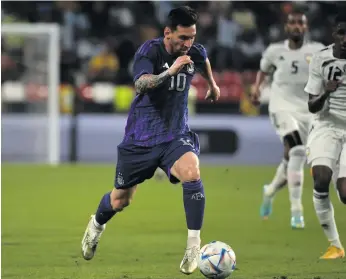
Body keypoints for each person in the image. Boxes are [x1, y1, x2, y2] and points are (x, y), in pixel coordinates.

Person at [81, 6, 220, 274]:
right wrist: (170, 71)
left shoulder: (194, 51)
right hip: (141, 137)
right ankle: (96, 225)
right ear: (168, 33)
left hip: (174, 134)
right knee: (121, 199)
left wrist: (212, 85)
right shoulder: (149, 51)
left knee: (192, 172)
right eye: (182, 38)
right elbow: (141, 84)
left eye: (192, 37)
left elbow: (204, 60)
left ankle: (193, 245)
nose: (188, 44)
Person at [251, 9, 325, 228]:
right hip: (281, 106)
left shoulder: (318, 50)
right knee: (297, 151)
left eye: (300, 23)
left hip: (308, 111)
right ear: (286, 27)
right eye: (292, 23)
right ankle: (296, 211)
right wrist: (256, 90)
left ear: (306, 27)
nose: (296, 27)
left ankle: (271, 190)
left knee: (291, 158)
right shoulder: (275, 51)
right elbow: (263, 71)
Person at [304, 13, 346, 259]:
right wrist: (326, 93)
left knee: (344, 192)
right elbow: (312, 106)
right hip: (325, 125)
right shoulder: (321, 59)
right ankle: (335, 246)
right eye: (342, 32)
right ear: (334, 34)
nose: (345, 38)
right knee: (320, 178)